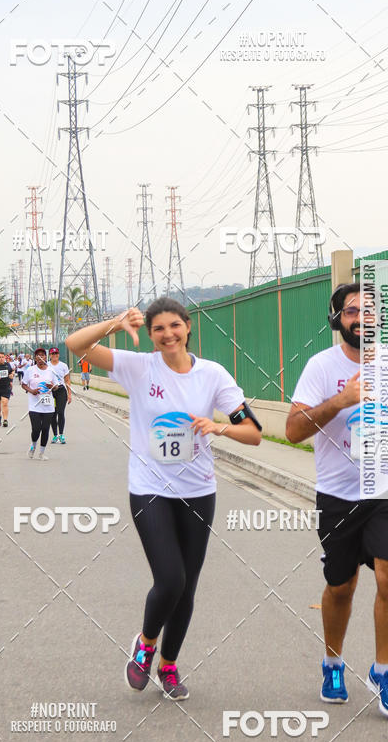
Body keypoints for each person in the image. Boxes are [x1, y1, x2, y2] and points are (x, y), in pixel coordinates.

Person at [66, 297, 262, 700]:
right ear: (150, 336)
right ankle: (146, 642)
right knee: (170, 578)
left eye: (175, 326)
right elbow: (76, 345)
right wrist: (116, 323)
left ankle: (169, 666)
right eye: (158, 329)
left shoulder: (213, 375)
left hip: (198, 491)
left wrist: (218, 428)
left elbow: (254, 432)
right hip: (150, 488)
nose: (168, 334)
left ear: (188, 327)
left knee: (186, 589)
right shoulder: (139, 368)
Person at [286, 282, 388, 718]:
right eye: (351, 311)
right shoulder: (320, 366)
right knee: (341, 584)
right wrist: (342, 400)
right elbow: (293, 430)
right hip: (337, 496)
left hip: (387, 488)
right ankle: (333, 663)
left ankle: (383, 670)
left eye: (369, 310)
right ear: (337, 320)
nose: (362, 317)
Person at [21, 348, 59, 460]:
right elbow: (23, 384)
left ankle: (41, 453)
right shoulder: (30, 370)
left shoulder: (51, 371)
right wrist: (31, 390)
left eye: (42, 355)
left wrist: (52, 386)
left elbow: (56, 386)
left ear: (46, 357)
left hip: (48, 406)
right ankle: (33, 446)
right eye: (38, 355)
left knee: (46, 429)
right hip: (34, 405)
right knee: (36, 429)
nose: (40, 357)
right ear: (35, 358)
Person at [48, 347, 71, 444]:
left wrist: (69, 394)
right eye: (52, 354)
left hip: (61, 390)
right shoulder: (47, 365)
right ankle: (55, 435)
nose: (54, 355)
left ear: (58, 354)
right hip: (51, 391)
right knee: (53, 413)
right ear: (50, 355)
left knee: (61, 412)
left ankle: (61, 435)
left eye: (56, 353)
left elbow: (67, 380)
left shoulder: (63, 365)